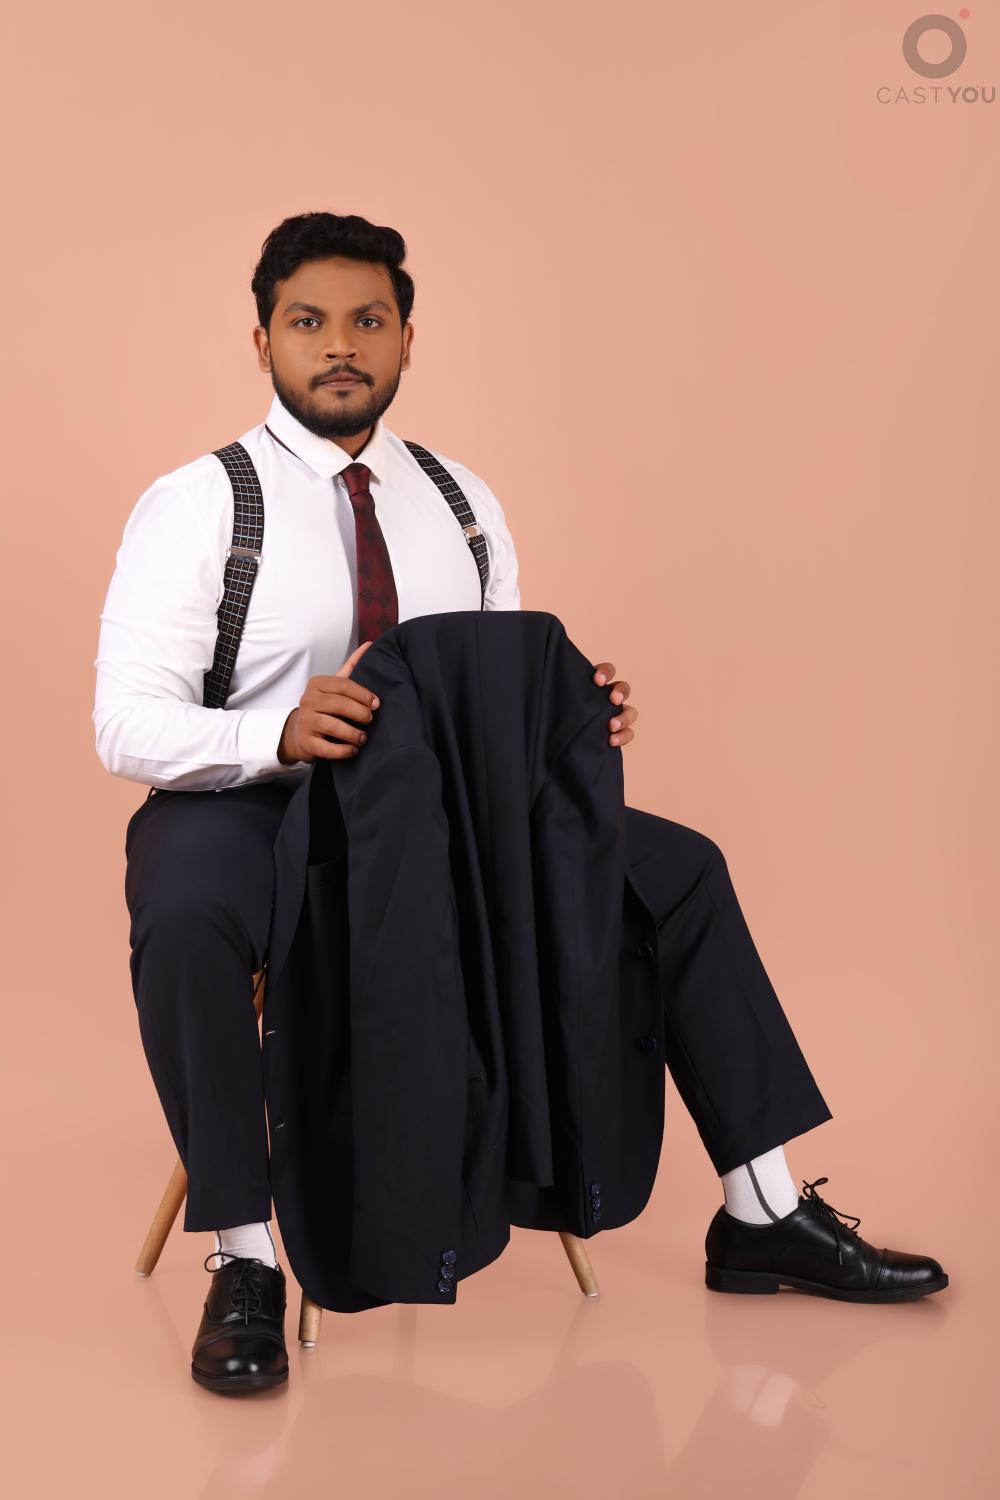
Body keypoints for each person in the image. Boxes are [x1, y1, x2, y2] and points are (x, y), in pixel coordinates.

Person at [93, 211, 948, 1394]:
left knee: (679, 871)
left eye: (367, 320)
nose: (339, 345)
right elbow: (124, 722)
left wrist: (575, 718)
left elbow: (492, 696)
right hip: (259, 803)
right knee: (187, 913)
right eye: (308, 322)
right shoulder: (195, 505)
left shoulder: (460, 501)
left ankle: (760, 1210)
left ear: (406, 339)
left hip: (442, 814)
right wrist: (272, 730)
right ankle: (245, 1261)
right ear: (262, 343)